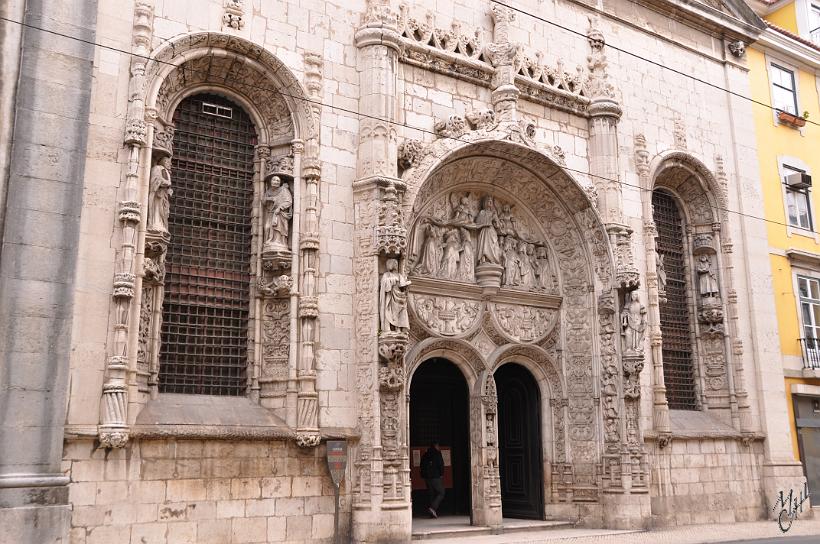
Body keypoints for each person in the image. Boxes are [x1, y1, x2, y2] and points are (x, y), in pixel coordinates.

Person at [420, 442, 445, 518]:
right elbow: (441, 464)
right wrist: (441, 474)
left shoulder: (425, 454)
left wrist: (424, 475)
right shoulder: (437, 454)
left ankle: (432, 513)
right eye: (438, 446)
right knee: (441, 492)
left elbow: (421, 465)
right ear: (436, 446)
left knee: (431, 494)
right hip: (435, 476)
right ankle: (433, 508)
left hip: (427, 478)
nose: (439, 447)